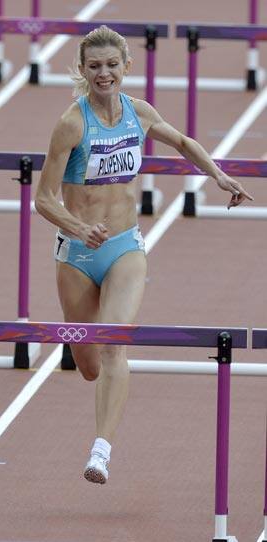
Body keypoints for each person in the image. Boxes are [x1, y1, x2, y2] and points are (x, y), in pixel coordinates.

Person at [35, 25, 252, 484]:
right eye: (94, 66)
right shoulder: (71, 123)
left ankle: (101, 450)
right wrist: (77, 227)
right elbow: (44, 198)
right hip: (75, 252)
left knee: (116, 342)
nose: (104, 73)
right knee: (89, 367)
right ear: (83, 70)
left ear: (127, 67)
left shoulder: (140, 112)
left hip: (124, 247)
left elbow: (183, 142)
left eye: (113, 65)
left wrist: (219, 175)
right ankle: (83, 359)